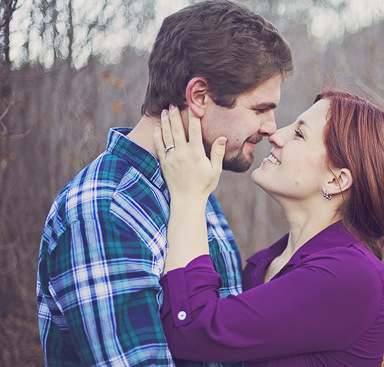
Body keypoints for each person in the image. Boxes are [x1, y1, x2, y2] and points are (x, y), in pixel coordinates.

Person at [36, 1, 293, 366]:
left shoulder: (192, 188)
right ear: (200, 97)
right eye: (260, 108)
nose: (271, 127)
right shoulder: (104, 213)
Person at [155, 91, 384, 366]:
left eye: (300, 135)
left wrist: (190, 197)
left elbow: (194, 330)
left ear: (336, 180)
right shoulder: (262, 265)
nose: (276, 135)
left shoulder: (352, 275)